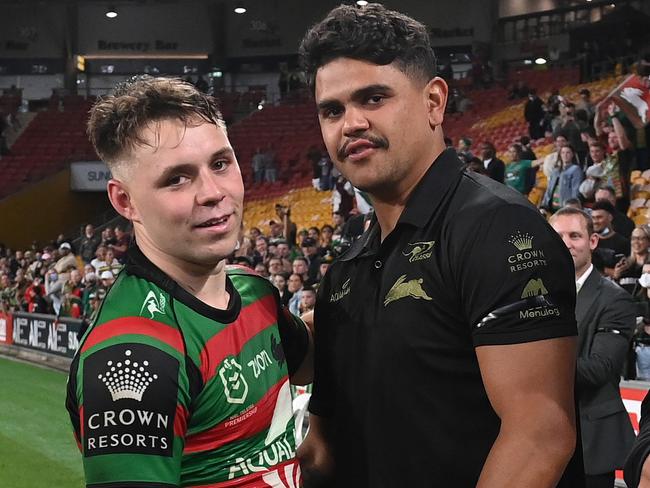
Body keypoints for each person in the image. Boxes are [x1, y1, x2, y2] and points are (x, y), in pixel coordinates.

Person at [298, 4, 582, 487]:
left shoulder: (498, 228)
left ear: (434, 102)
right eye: (333, 110)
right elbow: (324, 446)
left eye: (373, 98)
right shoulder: (345, 268)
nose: (351, 123)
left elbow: (539, 435)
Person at [65, 76, 313, 488]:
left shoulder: (254, 291)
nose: (213, 192)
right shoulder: (135, 354)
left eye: (220, 163)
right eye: (177, 178)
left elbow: (311, 360)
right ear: (125, 201)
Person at [550, 207, 635, 488]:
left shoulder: (615, 300)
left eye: (575, 236)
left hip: (590, 443)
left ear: (593, 241)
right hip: (538, 440)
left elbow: (600, 369)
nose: (565, 244)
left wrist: (529, 368)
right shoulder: (532, 292)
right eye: (557, 236)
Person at [541, 145, 585, 212]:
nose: (565, 155)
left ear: (572, 154)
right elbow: (549, 189)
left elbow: (575, 190)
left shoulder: (576, 170)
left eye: (568, 152)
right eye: (563, 152)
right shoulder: (555, 171)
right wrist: (544, 205)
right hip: (552, 205)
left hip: (566, 206)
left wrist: (573, 206)